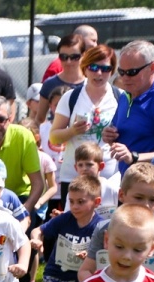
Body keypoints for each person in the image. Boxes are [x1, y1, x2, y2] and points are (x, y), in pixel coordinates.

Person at [50, 45, 121, 200]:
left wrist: (116, 136)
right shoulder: (71, 97)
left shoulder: (120, 97)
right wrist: (72, 131)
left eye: (105, 68)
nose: (99, 73)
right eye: (93, 67)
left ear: (112, 70)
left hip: (109, 177)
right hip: (74, 176)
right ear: (85, 68)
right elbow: (54, 137)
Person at [102, 41, 154, 175]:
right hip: (129, 180)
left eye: (132, 72)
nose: (125, 78)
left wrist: (135, 157)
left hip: (153, 182)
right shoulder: (125, 97)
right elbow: (125, 141)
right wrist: (110, 137)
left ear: (152, 68)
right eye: (121, 72)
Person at [30, 175, 102, 282]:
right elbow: (38, 230)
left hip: (82, 275)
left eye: (80, 202)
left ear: (96, 202)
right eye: (71, 201)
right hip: (56, 272)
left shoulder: (100, 226)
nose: (74, 206)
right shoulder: (65, 219)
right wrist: (36, 239)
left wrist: (90, 254)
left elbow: (105, 251)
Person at [35, 34, 87, 127]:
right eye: (63, 57)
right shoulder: (50, 84)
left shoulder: (90, 84)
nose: (68, 61)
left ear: (83, 55)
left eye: (74, 57)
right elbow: (39, 119)